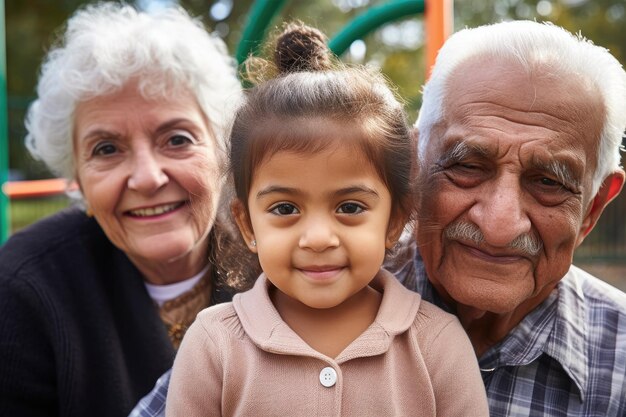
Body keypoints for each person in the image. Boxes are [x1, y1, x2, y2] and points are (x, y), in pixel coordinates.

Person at [165, 23, 489, 417]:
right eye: (285, 209)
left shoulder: (436, 345)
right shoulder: (213, 345)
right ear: (247, 225)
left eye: (350, 207)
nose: (318, 238)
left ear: (394, 221)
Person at [0, 3, 256, 416]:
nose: (147, 178)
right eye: (106, 149)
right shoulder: (23, 290)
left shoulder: (285, 252)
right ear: (78, 178)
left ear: (221, 148)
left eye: (176, 139)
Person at [395, 20, 626, 416]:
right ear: (415, 165)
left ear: (592, 208)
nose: (499, 227)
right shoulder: (304, 306)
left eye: (549, 182)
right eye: (467, 164)